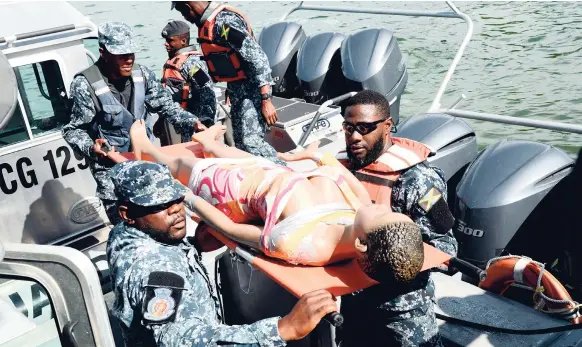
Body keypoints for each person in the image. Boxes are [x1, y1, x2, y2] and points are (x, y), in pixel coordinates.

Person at [126, 120, 425, 284]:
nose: (383, 206)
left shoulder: (297, 243)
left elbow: (228, 227)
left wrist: (188, 199)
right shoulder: (363, 209)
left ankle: (147, 148)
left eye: (384, 215)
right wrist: (307, 155)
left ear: (362, 244)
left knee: (181, 164)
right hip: (275, 175)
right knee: (252, 160)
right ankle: (209, 143)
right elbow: (333, 167)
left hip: (234, 193)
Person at [106, 160, 340, 346]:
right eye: (160, 206)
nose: (176, 210)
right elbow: (178, 340)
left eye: (176, 199)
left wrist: (194, 245)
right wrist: (284, 329)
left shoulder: (124, 234)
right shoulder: (156, 269)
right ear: (127, 214)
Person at [315, 90, 458, 346]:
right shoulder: (342, 168)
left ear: (387, 126)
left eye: (365, 128)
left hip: (401, 306)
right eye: (348, 128)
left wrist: (389, 255)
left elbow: (444, 246)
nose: (355, 137)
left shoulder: (419, 182)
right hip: (351, 297)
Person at [62, 21, 206, 226]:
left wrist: (193, 124)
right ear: (103, 53)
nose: (129, 59)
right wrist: (92, 148)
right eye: (121, 55)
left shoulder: (143, 75)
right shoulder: (85, 85)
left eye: (131, 53)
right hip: (111, 171)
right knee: (125, 227)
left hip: (144, 163)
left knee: (155, 223)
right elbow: (73, 130)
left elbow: (167, 107)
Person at [171, 1, 286, 166]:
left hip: (252, 89)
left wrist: (266, 98)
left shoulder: (224, 23)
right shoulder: (209, 24)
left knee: (251, 142)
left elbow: (257, 57)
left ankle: (283, 175)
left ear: (189, 8)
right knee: (241, 143)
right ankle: (258, 180)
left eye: (183, 13)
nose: (185, 18)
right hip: (237, 88)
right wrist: (230, 87)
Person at [159, 20, 216, 128]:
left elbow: (207, 89)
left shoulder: (192, 64)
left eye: (170, 40)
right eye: (165, 40)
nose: (166, 44)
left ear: (183, 41)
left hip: (196, 122)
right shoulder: (175, 62)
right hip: (182, 120)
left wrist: (205, 121)